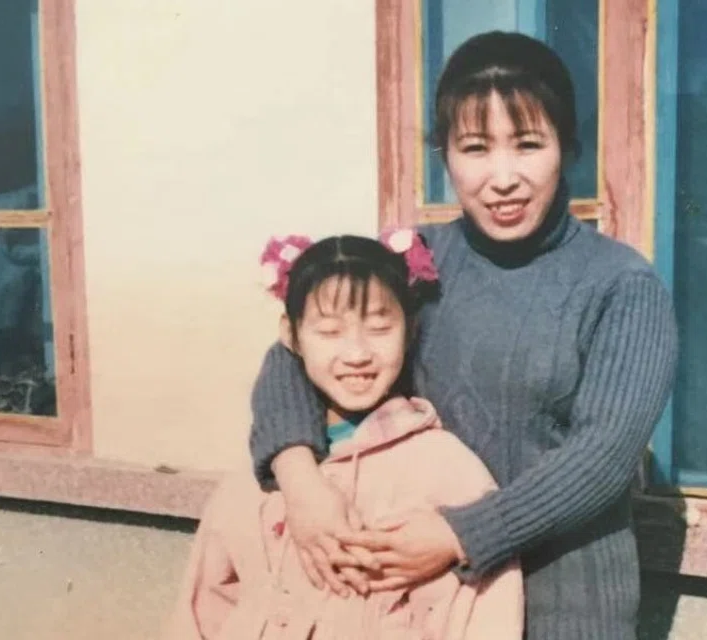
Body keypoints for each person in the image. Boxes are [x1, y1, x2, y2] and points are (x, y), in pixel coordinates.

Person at [250, 31, 679, 638]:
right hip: (423, 603)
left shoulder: (622, 285)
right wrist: (301, 482)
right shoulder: (417, 263)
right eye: (475, 148)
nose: (502, 178)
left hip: (565, 604)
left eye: (528, 145)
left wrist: (460, 533)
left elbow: (601, 459)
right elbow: (296, 354)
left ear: (567, 149)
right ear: (445, 155)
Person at [165, 233, 523, 639]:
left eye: (379, 328)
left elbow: (486, 619)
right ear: (291, 336)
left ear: (410, 330)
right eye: (330, 332)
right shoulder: (259, 478)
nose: (356, 354)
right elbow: (201, 610)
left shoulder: (446, 472)